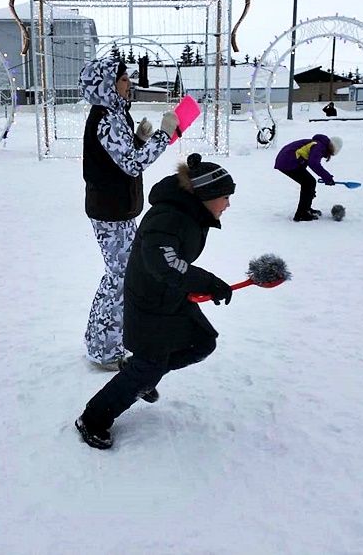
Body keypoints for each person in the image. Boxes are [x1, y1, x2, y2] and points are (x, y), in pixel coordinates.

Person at [75, 153, 236, 449]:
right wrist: (207, 282)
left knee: (201, 343)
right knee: (149, 365)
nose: (227, 204)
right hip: (149, 301)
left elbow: (174, 266)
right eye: (225, 197)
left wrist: (200, 285)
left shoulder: (192, 212)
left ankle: (140, 375)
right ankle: (93, 418)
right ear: (208, 195)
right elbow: (165, 263)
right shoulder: (169, 218)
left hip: (172, 295)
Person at [81, 56, 179, 370]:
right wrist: (164, 135)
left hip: (116, 209)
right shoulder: (108, 117)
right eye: (123, 79)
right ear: (107, 85)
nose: (129, 84)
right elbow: (132, 164)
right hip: (111, 212)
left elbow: (121, 156)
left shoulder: (113, 113)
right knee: (121, 277)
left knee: (120, 275)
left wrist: (139, 139)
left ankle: (101, 342)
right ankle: (106, 351)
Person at [274, 134, 342, 221]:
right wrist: (327, 177)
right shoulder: (319, 146)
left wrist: (310, 192)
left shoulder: (318, 144)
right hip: (288, 160)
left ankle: (306, 209)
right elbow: (313, 163)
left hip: (287, 159)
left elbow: (304, 159)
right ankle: (301, 214)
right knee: (309, 182)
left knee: (309, 183)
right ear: (332, 146)